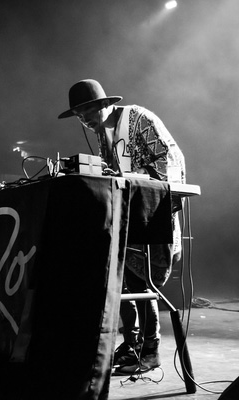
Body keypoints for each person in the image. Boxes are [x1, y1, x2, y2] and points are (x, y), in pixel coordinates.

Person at [58, 79, 185, 375]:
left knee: (141, 283)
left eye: (88, 112)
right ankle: (132, 344)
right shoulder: (103, 134)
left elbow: (169, 159)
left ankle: (150, 350)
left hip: (151, 214)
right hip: (127, 215)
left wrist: (134, 179)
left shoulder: (139, 118)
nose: (85, 120)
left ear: (104, 104)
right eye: (79, 116)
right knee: (120, 279)